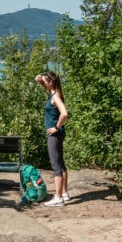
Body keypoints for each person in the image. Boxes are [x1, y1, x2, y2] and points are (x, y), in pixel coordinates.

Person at [35, 71, 69, 207]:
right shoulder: (54, 93)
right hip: (58, 134)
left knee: (56, 167)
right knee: (61, 164)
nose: (42, 82)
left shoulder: (55, 97)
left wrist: (56, 127)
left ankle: (58, 198)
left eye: (45, 81)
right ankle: (65, 193)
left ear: (50, 83)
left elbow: (64, 113)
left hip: (54, 134)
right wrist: (39, 80)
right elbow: (40, 81)